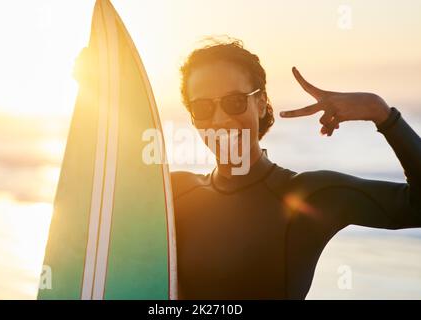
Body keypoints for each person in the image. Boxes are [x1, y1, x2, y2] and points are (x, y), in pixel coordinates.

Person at [172, 39, 421, 299]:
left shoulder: (311, 197)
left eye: (234, 101)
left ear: (260, 103)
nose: (219, 119)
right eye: (202, 107)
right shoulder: (173, 195)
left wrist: (380, 112)